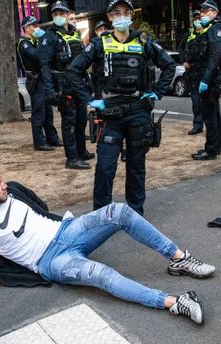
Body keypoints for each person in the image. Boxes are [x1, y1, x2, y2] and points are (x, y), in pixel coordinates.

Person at [0, 163, 215, 324]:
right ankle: (174, 302)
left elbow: (40, 206)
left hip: (67, 230)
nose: (4, 185)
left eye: (1, 179)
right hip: (51, 261)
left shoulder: (13, 190)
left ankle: (179, 258)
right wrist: (31, 269)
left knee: (119, 211)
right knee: (102, 275)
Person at [66, 0, 175, 215]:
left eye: (126, 12)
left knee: (136, 167)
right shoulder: (99, 44)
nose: (122, 17)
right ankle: (101, 216)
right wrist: (89, 98)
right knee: (105, 168)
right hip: (109, 112)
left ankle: (135, 213)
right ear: (110, 17)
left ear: (132, 16)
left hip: (138, 111)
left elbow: (169, 65)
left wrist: (159, 92)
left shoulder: (144, 42)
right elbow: (73, 71)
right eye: (117, 13)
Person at [39, 1, 94, 169]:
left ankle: (81, 151)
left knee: (81, 119)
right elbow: (45, 65)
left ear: (68, 14)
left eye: (61, 13)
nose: (58, 17)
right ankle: (72, 158)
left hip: (79, 82)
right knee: (69, 120)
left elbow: (83, 60)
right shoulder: (49, 37)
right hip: (63, 84)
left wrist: (88, 81)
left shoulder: (75, 34)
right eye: (55, 14)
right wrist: (50, 89)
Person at [17, 15, 62, 152]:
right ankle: (40, 142)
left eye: (37, 25)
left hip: (43, 79)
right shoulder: (24, 43)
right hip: (35, 80)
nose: (37, 28)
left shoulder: (35, 41)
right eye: (34, 26)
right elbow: (37, 56)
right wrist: (44, 40)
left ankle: (52, 138)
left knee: (48, 111)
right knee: (39, 112)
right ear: (26, 28)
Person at [190, 0, 221, 161]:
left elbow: (214, 57)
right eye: (201, 12)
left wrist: (205, 79)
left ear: (214, 12)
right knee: (213, 115)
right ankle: (215, 146)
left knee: (210, 117)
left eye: (205, 11)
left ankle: (211, 149)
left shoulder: (215, 29)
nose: (202, 14)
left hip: (209, 79)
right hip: (207, 77)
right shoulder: (208, 29)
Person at [178, 8, 204, 136]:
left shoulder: (208, 31)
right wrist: (184, 61)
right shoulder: (189, 33)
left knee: (207, 102)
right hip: (192, 71)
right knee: (195, 101)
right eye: (195, 18)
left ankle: (210, 126)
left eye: (199, 17)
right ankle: (197, 125)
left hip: (204, 70)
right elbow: (181, 48)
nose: (197, 20)